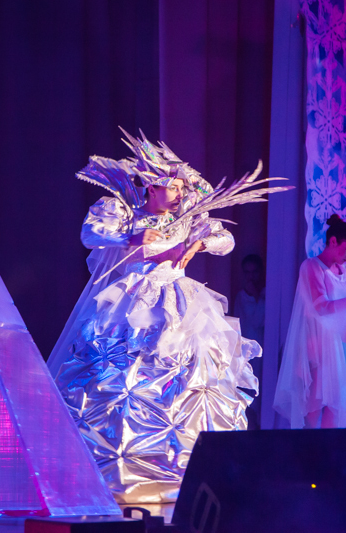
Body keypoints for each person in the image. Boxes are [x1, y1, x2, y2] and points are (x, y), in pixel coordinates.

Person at [49, 131, 265, 504]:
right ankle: (118, 469)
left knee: (189, 377)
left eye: (182, 188)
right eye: (173, 187)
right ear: (152, 187)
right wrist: (132, 239)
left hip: (179, 303)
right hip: (132, 302)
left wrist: (198, 243)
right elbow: (90, 234)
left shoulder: (186, 219)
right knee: (124, 377)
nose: (180, 193)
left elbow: (225, 240)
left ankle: (181, 466)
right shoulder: (126, 214)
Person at [273, 214, 346, 432]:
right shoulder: (312, 267)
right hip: (317, 344)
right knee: (314, 406)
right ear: (333, 241)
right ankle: (308, 449)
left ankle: (327, 451)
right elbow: (321, 307)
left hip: (339, 345)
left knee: (335, 406)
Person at [233, 253, 265, 428]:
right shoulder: (241, 296)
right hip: (246, 352)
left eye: (254, 272)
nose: (251, 277)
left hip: (264, 349)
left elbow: (261, 321)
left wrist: (257, 297)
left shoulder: (267, 294)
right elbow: (251, 322)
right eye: (247, 272)